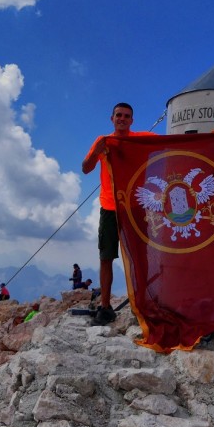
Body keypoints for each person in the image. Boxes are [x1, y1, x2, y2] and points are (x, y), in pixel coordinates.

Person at [82, 102, 155, 325]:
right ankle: (105, 307)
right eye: (118, 115)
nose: (122, 119)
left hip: (134, 208)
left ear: (132, 121)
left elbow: (170, 143)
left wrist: (207, 136)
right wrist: (97, 151)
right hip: (109, 208)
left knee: (139, 258)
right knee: (106, 258)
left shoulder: (140, 139)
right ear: (112, 119)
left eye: (126, 116)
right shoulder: (104, 141)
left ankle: (141, 304)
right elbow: (86, 168)